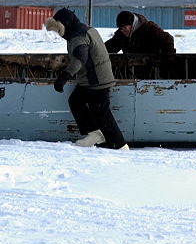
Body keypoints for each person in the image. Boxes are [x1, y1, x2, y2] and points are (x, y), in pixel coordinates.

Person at [45, 8, 128, 150]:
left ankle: (120, 145)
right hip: (91, 78)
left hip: (97, 80)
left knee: (102, 113)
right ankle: (95, 133)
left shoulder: (78, 36)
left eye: (58, 30)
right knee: (75, 100)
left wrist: (65, 76)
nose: (58, 34)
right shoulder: (83, 30)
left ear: (65, 25)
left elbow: (79, 58)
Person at [104, 10, 176, 56]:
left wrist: (167, 61)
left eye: (124, 28)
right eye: (120, 28)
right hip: (133, 73)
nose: (122, 31)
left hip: (152, 72)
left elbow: (167, 40)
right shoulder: (121, 35)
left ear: (131, 25)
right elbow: (110, 47)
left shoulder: (150, 29)